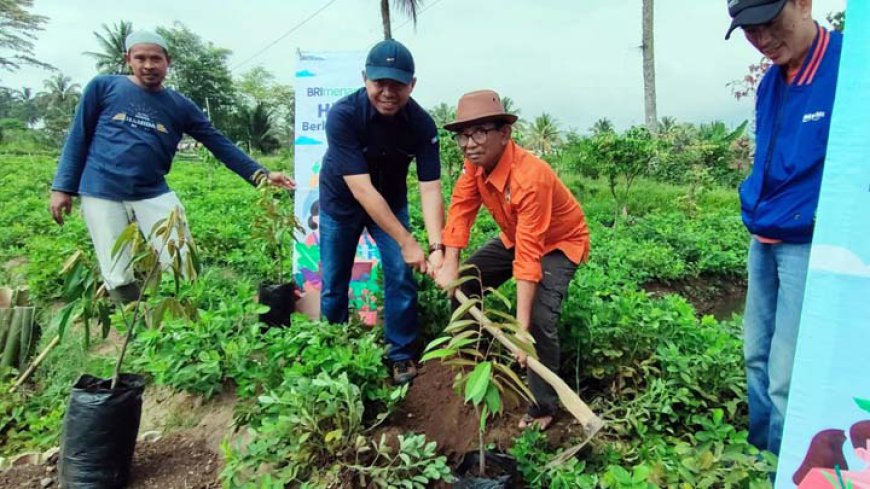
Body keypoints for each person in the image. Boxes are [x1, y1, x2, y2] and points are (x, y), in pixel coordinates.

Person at [49, 31, 295, 303]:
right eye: (140, 58)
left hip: (152, 191)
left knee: (182, 260)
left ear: (168, 61)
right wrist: (62, 187)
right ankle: (133, 323)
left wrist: (261, 175)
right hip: (101, 190)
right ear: (127, 59)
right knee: (116, 268)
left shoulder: (179, 105)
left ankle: (189, 317)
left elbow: (218, 143)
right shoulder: (103, 87)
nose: (148, 65)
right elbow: (78, 136)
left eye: (156, 58)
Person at [725, 0, 843, 455]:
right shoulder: (771, 83)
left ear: (803, 3)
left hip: (807, 245)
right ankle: (758, 456)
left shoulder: (849, 72)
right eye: (751, 32)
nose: (763, 41)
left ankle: (784, 465)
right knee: (756, 356)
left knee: (788, 376)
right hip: (764, 237)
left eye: (771, 25)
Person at [433, 90, 590, 430]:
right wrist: (449, 265)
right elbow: (461, 210)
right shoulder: (473, 167)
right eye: (463, 134)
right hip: (515, 236)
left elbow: (530, 254)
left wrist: (520, 329)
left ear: (504, 133)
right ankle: (472, 362)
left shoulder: (530, 177)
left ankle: (542, 405)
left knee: (536, 319)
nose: (469, 143)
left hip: (558, 243)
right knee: (467, 279)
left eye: (479, 132)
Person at [318, 39, 444, 385]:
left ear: (412, 85)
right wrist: (406, 240)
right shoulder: (344, 115)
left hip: (391, 201)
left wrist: (436, 247)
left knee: (401, 275)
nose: (388, 92)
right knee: (334, 283)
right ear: (365, 79)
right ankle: (334, 346)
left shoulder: (421, 125)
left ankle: (400, 354)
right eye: (380, 83)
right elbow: (361, 189)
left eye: (398, 84)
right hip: (342, 203)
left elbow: (430, 187)